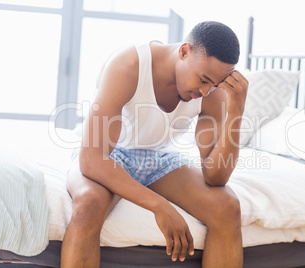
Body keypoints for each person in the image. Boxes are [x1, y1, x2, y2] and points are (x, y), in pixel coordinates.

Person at [61, 21, 249, 268]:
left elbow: (216, 176)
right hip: (111, 154)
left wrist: (236, 109)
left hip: (159, 158)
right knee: (89, 204)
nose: (206, 92)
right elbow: (92, 159)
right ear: (184, 52)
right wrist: (160, 206)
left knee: (227, 207)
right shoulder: (130, 65)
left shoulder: (212, 90)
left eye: (213, 84)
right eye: (203, 80)